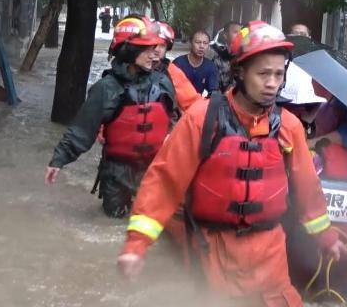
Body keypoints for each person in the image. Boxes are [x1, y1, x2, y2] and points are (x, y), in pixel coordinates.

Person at [117, 21, 346, 307]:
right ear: (239, 72)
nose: (273, 83)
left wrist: (326, 236)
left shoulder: (289, 127)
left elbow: (308, 189)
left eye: (278, 74)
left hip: (270, 254)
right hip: (213, 253)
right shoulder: (202, 119)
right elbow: (164, 182)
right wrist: (137, 244)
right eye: (263, 74)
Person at [45, 16, 176, 218]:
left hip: (154, 169)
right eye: (147, 49)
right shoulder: (106, 89)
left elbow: (174, 122)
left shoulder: (163, 82)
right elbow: (82, 131)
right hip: (116, 173)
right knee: (113, 222)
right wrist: (58, 161)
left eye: (156, 48)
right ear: (129, 50)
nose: (155, 54)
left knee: (151, 223)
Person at [155, 21, 201, 112]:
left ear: (166, 48)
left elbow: (193, 104)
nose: (156, 49)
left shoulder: (171, 71)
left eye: (161, 45)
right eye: (152, 45)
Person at [172, 30, 218, 95]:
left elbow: (213, 92)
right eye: (198, 42)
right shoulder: (178, 63)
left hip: (198, 103)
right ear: (190, 43)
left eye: (205, 43)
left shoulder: (210, 66)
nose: (201, 46)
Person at [209, 21, 242, 93]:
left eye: (241, 33)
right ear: (225, 35)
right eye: (236, 32)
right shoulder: (217, 59)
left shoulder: (247, 57)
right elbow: (214, 87)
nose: (239, 35)